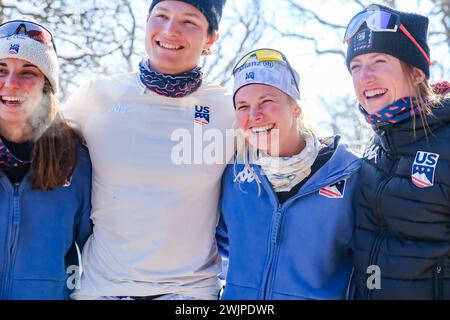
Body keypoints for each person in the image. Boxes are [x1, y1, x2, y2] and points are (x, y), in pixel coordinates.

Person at [63, 0, 234, 300]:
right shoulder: (97, 95)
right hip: (102, 289)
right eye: (162, 16)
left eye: (189, 22)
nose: (170, 30)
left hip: (189, 294)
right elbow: (34, 148)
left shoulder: (229, 110)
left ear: (211, 39)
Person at [216, 48, 361, 300]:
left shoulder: (350, 176)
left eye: (266, 101)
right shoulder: (230, 175)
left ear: (295, 107)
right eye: (243, 106)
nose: (254, 116)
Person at [344, 3, 450, 299]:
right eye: (356, 66)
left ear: (417, 73)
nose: (365, 78)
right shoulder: (372, 152)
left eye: (379, 61)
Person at [0, 18, 92, 299]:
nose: (10, 84)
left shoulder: (77, 161)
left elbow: (99, 256)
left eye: (28, 72)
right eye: (1, 70)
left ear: (46, 86)